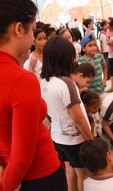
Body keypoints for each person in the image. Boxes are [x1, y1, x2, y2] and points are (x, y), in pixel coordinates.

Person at [0, 1, 67, 190]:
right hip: (38, 176)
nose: (33, 38)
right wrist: (6, 186)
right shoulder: (21, 80)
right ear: (19, 29)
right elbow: (22, 158)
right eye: (32, 30)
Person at [40, 37, 94, 191]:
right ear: (63, 58)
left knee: (70, 171)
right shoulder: (66, 82)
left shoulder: (44, 81)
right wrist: (91, 140)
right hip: (76, 140)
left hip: (58, 138)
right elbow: (78, 117)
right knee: (84, 176)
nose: (74, 59)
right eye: (72, 56)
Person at [78, 34, 107, 99]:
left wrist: (105, 79)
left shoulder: (99, 57)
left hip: (100, 90)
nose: (93, 48)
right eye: (90, 46)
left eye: (95, 45)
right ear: (83, 48)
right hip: (88, 93)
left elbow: (104, 66)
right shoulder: (80, 60)